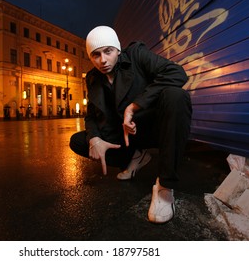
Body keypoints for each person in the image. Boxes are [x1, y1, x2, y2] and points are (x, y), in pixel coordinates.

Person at [69, 26, 192, 223]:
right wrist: (94, 138)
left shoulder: (136, 55)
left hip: (153, 126)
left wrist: (134, 106)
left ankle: (165, 187)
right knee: (78, 141)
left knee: (176, 95)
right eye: (95, 54)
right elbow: (91, 114)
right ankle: (136, 157)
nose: (103, 60)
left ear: (117, 49)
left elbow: (176, 73)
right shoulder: (93, 77)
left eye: (108, 51)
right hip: (125, 135)